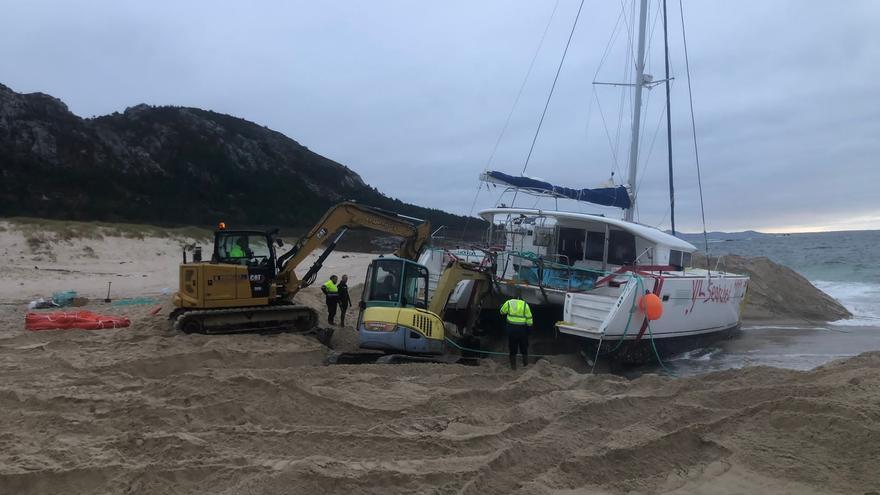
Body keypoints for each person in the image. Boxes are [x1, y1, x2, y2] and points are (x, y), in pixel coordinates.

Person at [499, 289, 533, 370]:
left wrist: (501, 307)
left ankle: (513, 367)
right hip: (522, 330)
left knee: (512, 348)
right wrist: (529, 330)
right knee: (524, 348)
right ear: (521, 296)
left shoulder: (509, 302)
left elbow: (502, 312)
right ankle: (526, 365)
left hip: (511, 329)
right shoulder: (525, 305)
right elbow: (529, 320)